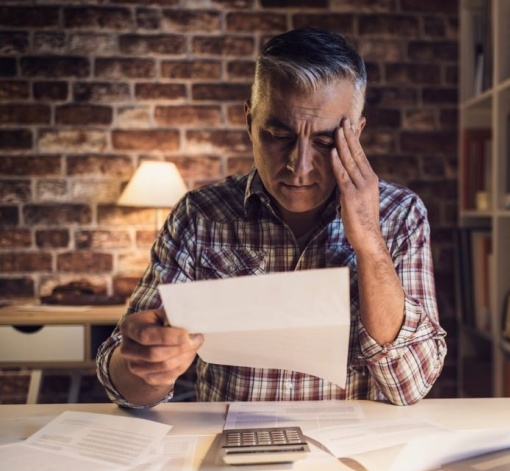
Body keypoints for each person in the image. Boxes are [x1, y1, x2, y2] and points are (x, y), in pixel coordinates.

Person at [97, 27, 447, 409]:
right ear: (250, 121)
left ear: (356, 136)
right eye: (279, 136)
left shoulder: (400, 214)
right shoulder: (200, 216)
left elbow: (410, 386)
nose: (300, 168)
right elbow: (126, 390)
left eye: (325, 142)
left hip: (353, 455)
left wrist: (368, 239)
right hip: (231, 451)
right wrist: (147, 366)